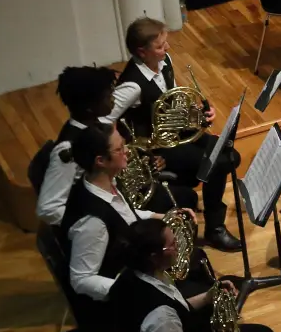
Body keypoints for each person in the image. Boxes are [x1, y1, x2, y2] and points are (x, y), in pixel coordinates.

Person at [107, 17, 241, 253]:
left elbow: (173, 100)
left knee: (230, 155)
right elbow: (105, 118)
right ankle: (215, 229)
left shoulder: (164, 62)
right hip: (158, 148)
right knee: (218, 164)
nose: (167, 48)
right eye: (160, 46)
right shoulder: (132, 85)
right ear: (142, 52)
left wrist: (198, 113)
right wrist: (123, 148)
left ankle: (188, 192)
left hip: (177, 134)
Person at [111, 218, 281, 332]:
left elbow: (176, 306)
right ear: (154, 256)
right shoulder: (160, 317)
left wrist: (207, 297)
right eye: (172, 244)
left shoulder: (133, 274)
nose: (178, 246)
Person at [38, 67, 187, 227]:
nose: (113, 99)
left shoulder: (98, 125)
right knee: (182, 203)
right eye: (108, 96)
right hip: (105, 217)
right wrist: (97, 220)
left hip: (119, 197)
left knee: (186, 197)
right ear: (90, 107)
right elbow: (48, 209)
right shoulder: (67, 149)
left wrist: (146, 165)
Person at [61, 125, 160, 329]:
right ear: (101, 161)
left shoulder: (105, 182)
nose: (127, 151)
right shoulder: (92, 222)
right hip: (122, 300)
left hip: (136, 267)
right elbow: (81, 279)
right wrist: (138, 288)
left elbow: (124, 215)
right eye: (119, 148)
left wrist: (161, 217)